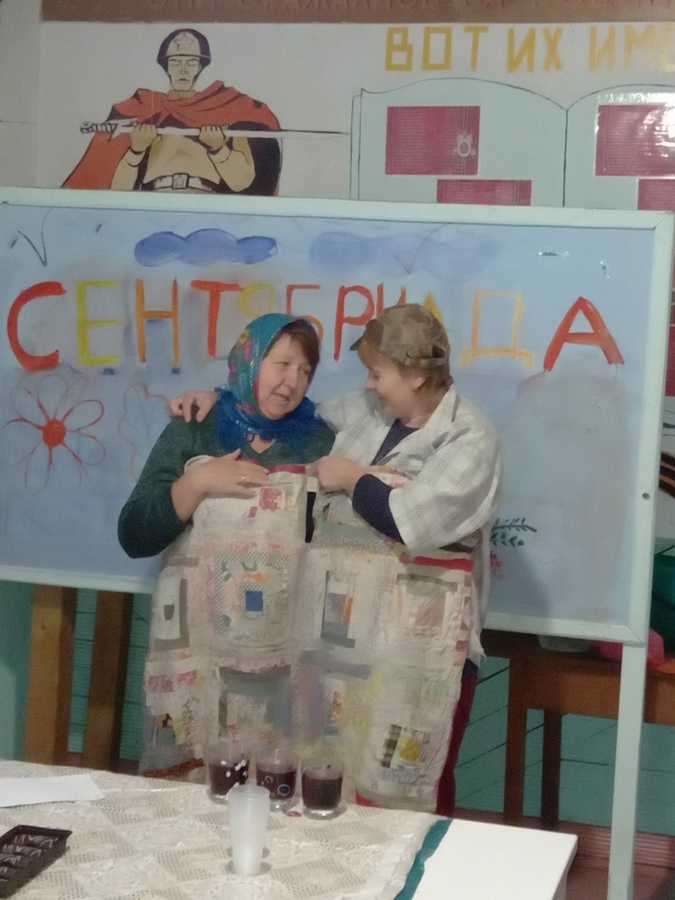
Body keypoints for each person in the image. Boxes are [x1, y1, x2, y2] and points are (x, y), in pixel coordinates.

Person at [170, 304, 501, 813]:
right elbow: (298, 412)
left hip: (419, 645)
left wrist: (351, 478)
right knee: (333, 773)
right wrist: (219, 399)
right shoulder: (371, 412)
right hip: (345, 643)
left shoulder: (471, 438)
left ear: (415, 376)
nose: (369, 384)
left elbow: (408, 522)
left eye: (378, 373)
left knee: (408, 779)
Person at [118, 313, 334, 778]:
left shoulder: (321, 439)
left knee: (273, 789)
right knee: (194, 788)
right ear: (249, 361)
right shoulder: (197, 426)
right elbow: (134, 533)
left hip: (281, 658)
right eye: (282, 365)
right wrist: (197, 482)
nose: (291, 383)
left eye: (305, 371)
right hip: (201, 653)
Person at [64, 29, 281, 195]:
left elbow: (241, 182)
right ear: (166, 66)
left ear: (200, 67)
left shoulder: (227, 110)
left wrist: (218, 149)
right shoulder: (146, 111)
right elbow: (120, 189)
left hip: (205, 203)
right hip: (154, 204)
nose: (183, 69)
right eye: (176, 62)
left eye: (191, 62)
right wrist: (136, 150)